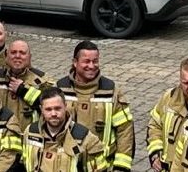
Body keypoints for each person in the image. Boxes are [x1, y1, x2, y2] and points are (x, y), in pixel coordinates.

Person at [56, 41, 133, 172]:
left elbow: (125, 131)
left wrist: (121, 167)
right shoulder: (60, 89)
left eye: (95, 61)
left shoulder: (111, 91)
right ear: (75, 62)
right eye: (86, 61)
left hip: (101, 166)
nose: (91, 66)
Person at [22, 87, 106, 172]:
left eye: (57, 108)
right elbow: (24, 162)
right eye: (48, 109)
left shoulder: (86, 139)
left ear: (65, 106)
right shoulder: (30, 132)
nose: (53, 114)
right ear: (41, 109)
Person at [0, 39, 49, 133]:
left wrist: (24, 91)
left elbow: (51, 105)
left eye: (22, 53)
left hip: (30, 137)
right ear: (6, 55)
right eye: (13, 52)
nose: (17, 56)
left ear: (29, 57)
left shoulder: (42, 80)